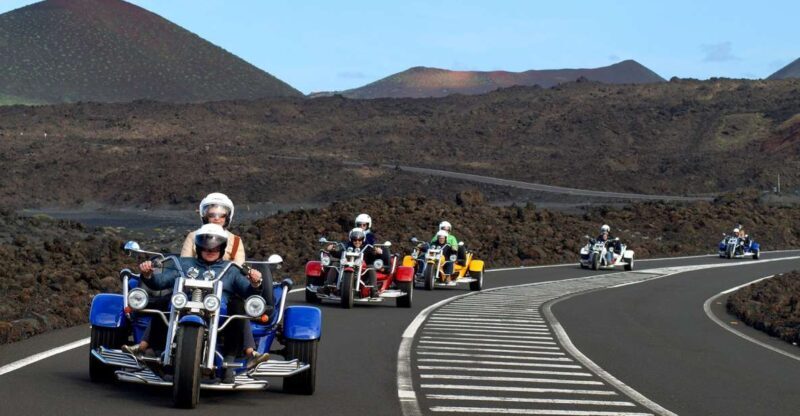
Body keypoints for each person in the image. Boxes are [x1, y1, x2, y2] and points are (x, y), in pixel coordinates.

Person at [128, 224, 269, 378]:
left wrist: (255, 282)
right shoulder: (183, 264)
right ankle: (147, 350)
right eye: (206, 248)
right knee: (166, 301)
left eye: (215, 248)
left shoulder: (232, 268)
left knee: (238, 307)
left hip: (220, 315)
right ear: (199, 247)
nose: (210, 251)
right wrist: (148, 274)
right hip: (183, 308)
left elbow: (248, 291)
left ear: (222, 248)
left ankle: (231, 360)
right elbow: (160, 282)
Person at [325, 228, 381, 298]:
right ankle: (326, 288)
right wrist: (332, 250)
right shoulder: (347, 246)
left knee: (371, 267)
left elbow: (372, 255)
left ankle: (374, 291)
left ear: (363, 239)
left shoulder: (367, 247)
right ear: (351, 239)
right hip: (346, 268)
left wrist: (377, 251)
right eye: (355, 240)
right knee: (335, 264)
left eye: (360, 240)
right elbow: (339, 253)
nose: (357, 242)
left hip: (363, 272)